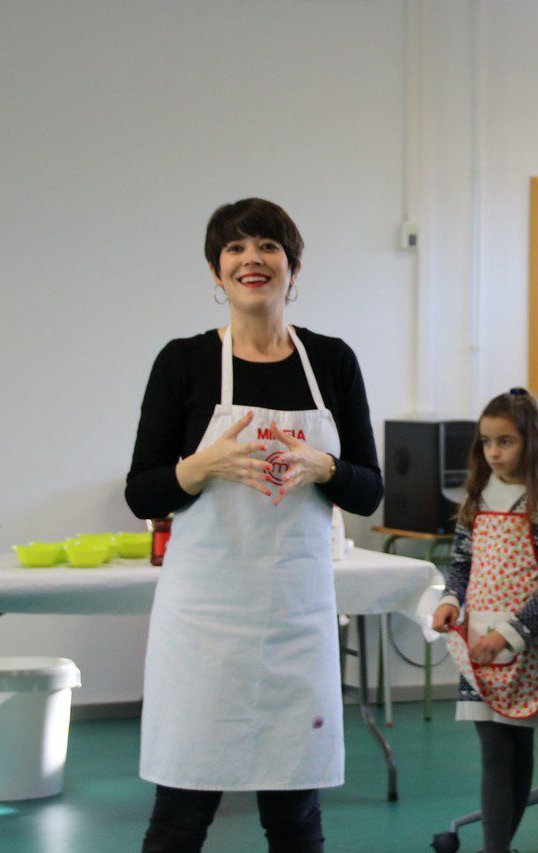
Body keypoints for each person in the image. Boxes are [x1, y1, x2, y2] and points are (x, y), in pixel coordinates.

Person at [125, 198, 383, 852]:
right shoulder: (182, 362)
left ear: (293, 267)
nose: (251, 259)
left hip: (296, 618)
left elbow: (370, 488)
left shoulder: (332, 361)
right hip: (205, 622)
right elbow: (141, 490)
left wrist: (325, 465)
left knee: (295, 819)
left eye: (267, 245)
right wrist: (200, 466)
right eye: (235, 248)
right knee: (181, 813)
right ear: (217, 274)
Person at [430, 388, 538, 853]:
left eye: (505, 441)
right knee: (494, 752)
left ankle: (499, 846)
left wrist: (508, 635)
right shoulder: (475, 500)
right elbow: (461, 563)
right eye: (487, 442)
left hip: (525, 645)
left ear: (532, 442)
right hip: (478, 645)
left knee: (518, 748)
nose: (494, 452)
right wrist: (451, 598)